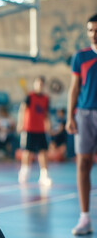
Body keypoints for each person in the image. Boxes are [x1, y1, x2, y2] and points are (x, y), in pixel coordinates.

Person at [66, 13, 97, 236]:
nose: (94, 35)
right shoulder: (81, 56)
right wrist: (70, 116)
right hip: (85, 115)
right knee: (83, 164)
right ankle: (85, 218)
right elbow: (75, 88)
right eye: (90, 31)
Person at [16, 76, 52, 186]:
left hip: (40, 129)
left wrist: (48, 124)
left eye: (41, 84)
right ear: (35, 84)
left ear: (43, 86)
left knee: (43, 152)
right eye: (38, 83)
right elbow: (22, 109)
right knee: (28, 151)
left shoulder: (46, 98)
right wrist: (20, 124)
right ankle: (24, 172)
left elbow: (46, 113)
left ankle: (44, 176)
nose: (39, 86)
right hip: (29, 128)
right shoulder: (29, 96)